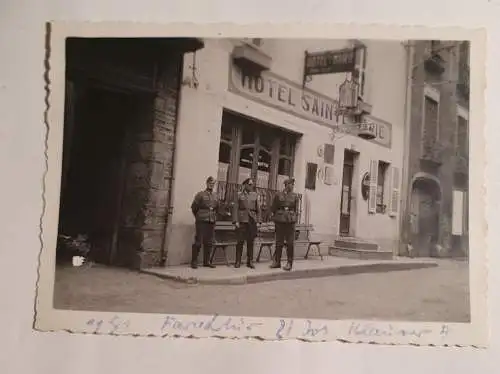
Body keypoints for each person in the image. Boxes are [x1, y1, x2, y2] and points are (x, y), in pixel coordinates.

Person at [270, 178, 300, 271]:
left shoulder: (295, 196)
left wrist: (295, 221)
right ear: (286, 185)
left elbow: (296, 210)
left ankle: (289, 263)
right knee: (279, 242)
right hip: (280, 221)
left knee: (290, 243)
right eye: (291, 184)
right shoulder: (278, 195)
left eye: (293, 184)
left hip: (290, 222)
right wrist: (276, 218)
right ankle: (277, 262)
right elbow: (273, 208)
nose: (292, 186)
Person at [190, 176, 219, 269]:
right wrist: (199, 217)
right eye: (210, 183)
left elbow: (217, 208)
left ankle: (207, 261)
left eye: (213, 183)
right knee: (198, 241)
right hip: (202, 220)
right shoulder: (200, 194)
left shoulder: (215, 195)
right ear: (207, 183)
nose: (212, 185)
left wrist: (214, 218)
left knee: (209, 242)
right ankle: (194, 261)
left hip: (211, 221)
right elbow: (194, 207)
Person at [232, 178, 261, 268]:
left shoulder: (255, 195)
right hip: (242, 220)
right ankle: (238, 261)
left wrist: (259, 221)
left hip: (251, 220)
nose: (251, 186)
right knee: (240, 241)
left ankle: (250, 261)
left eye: (252, 184)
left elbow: (258, 209)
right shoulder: (239, 195)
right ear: (245, 185)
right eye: (249, 184)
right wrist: (235, 221)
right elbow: (235, 208)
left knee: (250, 242)